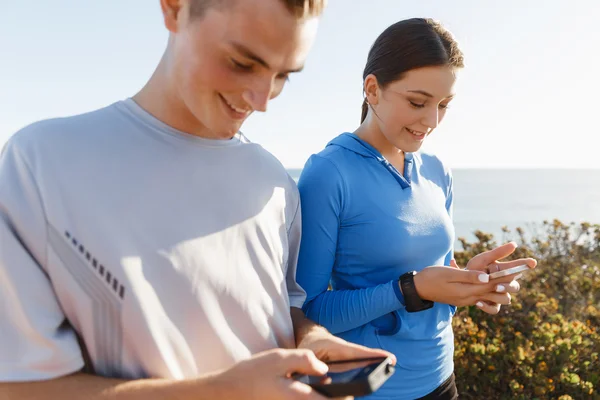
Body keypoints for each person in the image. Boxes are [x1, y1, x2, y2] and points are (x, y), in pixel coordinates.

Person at [0, 1, 394, 399]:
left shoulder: (274, 182)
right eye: (242, 62)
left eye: (283, 76)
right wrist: (224, 392)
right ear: (174, 9)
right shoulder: (41, 164)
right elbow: (18, 389)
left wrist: (309, 337)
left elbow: (280, 311)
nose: (263, 100)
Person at [295, 18, 537, 400]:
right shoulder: (329, 173)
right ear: (372, 89)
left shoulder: (437, 169)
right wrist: (408, 288)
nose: (432, 121)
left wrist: (470, 283)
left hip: (443, 378)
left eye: (444, 105)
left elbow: (438, 275)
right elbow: (307, 312)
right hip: (375, 390)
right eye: (417, 102)